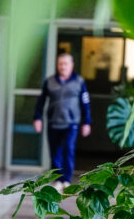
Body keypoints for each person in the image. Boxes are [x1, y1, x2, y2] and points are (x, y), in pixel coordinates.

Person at [33, 52, 92, 189]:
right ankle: (58, 180)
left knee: (68, 150)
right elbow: (41, 101)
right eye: (60, 64)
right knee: (55, 153)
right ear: (57, 65)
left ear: (72, 65)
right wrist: (37, 118)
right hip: (53, 122)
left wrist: (87, 122)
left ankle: (66, 179)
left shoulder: (79, 81)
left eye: (65, 64)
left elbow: (85, 103)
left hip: (71, 123)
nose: (63, 67)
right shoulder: (50, 82)